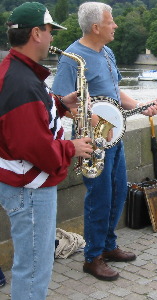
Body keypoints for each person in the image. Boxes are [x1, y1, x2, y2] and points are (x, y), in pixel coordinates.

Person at [52, 2, 157, 281]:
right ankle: (93, 257)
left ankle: (109, 246)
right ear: (96, 27)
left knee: (116, 192)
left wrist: (140, 104)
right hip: (92, 137)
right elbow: (62, 102)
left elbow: (115, 91)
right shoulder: (71, 57)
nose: (115, 26)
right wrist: (95, 121)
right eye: (111, 22)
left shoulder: (108, 52)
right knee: (98, 197)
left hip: (114, 135)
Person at [0, 2, 93, 299]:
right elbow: (33, 146)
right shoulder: (21, 82)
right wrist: (71, 147)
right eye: (51, 31)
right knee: (34, 268)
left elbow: (29, 118)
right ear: (37, 33)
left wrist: (61, 105)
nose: (53, 38)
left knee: (33, 265)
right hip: (30, 189)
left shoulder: (17, 71)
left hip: (24, 186)